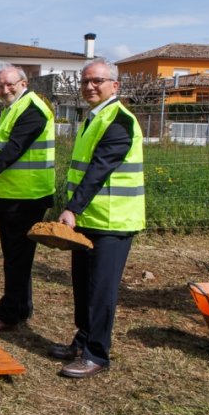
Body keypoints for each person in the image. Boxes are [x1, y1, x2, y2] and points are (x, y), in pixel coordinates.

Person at [51, 59, 145, 378]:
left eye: (98, 81)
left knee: (101, 290)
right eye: (85, 81)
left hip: (114, 222)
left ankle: (97, 354)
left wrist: (72, 208)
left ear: (114, 86)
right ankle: (83, 339)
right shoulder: (93, 117)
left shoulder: (119, 120)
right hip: (91, 218)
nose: (90, 86)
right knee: (83, 285)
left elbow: (98, 170)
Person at [0, 63, 55, 332]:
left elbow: (15, 150)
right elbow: (9, 144)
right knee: (17, 257)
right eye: (0, 85)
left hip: (26, 197)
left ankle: (9, 315)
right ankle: (20, 306)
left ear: (24, 83)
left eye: (10, 84)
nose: (5, 89)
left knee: (17, 258)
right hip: (12, 195)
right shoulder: (14, 108)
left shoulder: (32, 109)